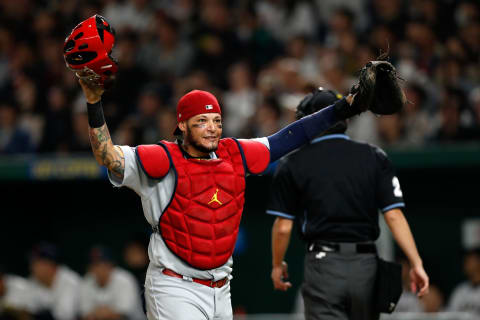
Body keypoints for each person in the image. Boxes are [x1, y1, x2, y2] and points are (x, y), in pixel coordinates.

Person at [77, 71, 367, 320]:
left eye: (216, 120)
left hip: (221, 287)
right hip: (174, 286)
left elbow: (291, 136)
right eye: (202, 120)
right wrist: (93, 101)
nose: (212, 128)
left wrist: (345, 107)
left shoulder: (235, 153)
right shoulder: (162, 158)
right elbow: (107, 155)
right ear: (182, 124)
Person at [266, 88, 429, 320]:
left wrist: (276, 264)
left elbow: (283, 226)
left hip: (324, 266)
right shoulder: (374, 155)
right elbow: (394, 216)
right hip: (366, 266)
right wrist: (416, 262)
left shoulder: (293, 162)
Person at [79, 246, 144, 320]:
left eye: (101, 264)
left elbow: (122, 315)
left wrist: (97, 313)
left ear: (110, 264)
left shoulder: (125, 279)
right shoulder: (86, 281)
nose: (98, 268)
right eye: (94, 265)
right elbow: (85, 315)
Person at [27, 242, 81, 320]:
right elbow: (26, 308)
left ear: (50, 264)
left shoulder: (70, 281)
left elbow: (65, 316)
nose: (32, 267)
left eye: (36, 263)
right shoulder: (33, 281)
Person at [447, 247, 480, 317]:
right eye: (465, 260)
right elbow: (450, 315)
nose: (466, 263)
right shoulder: (460, 290)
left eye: (469, 260)